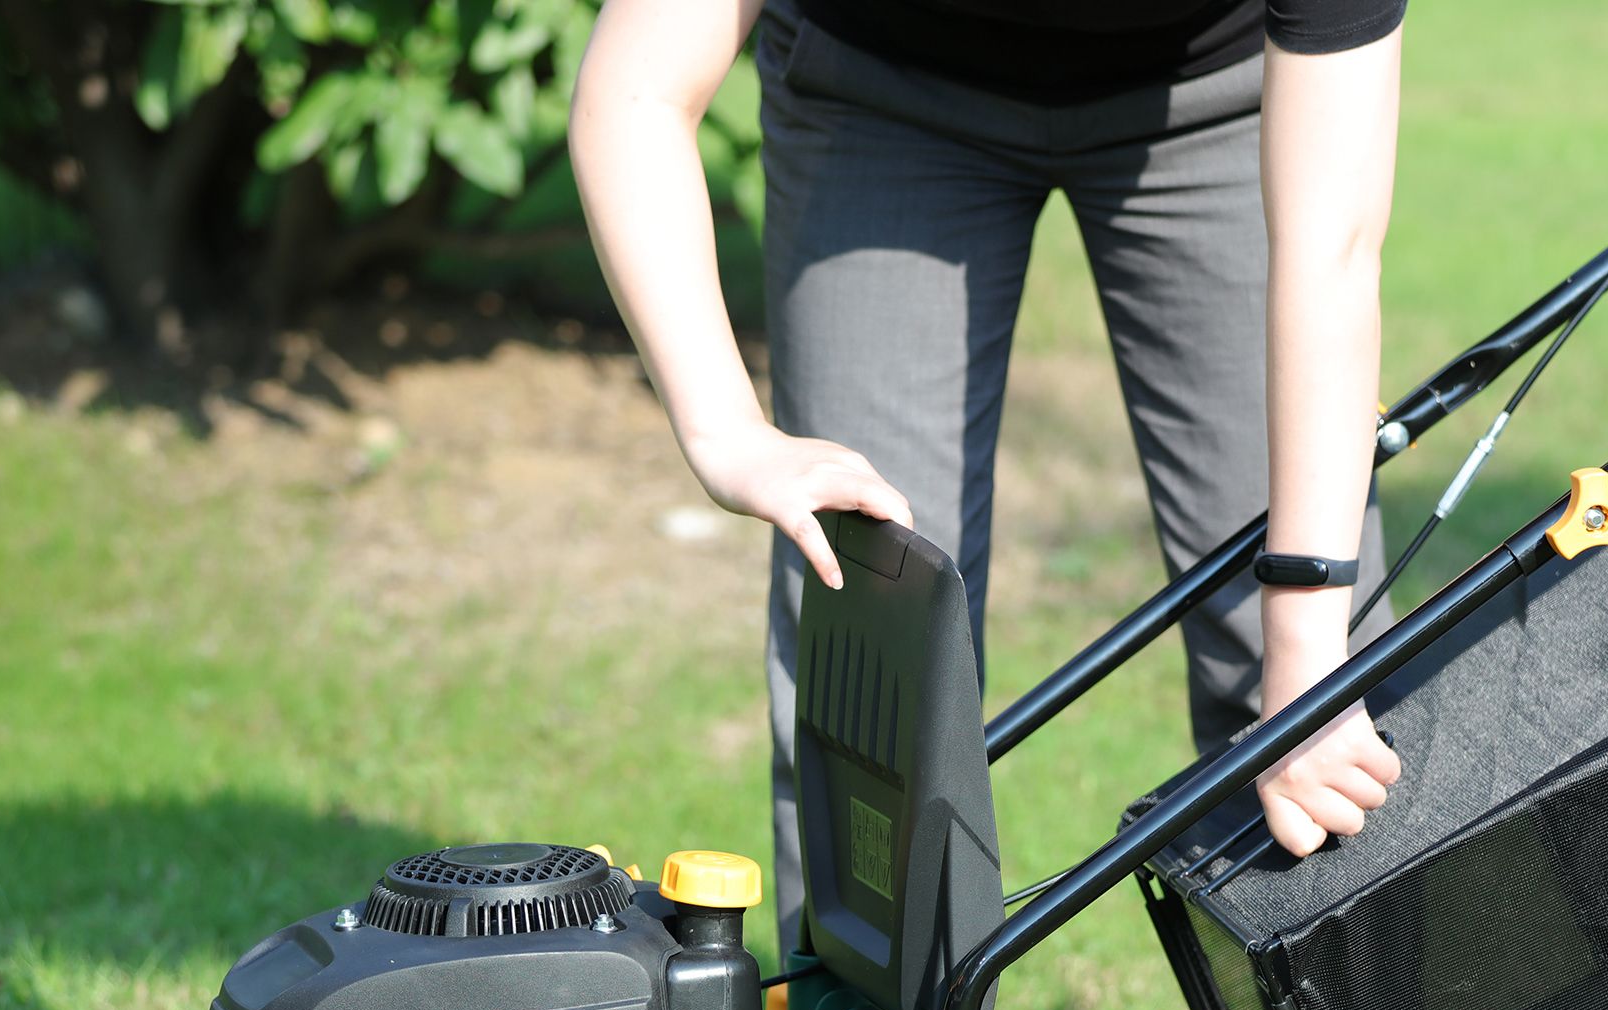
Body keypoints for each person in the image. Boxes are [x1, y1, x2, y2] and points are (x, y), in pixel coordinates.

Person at [572, 0, 1406, 955]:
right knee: (875, 650)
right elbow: (632, 90)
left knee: (1323, 671)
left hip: (1211, 93)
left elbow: (1330, 245)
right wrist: (726, 430)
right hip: (884, 91)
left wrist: (1302, 653)